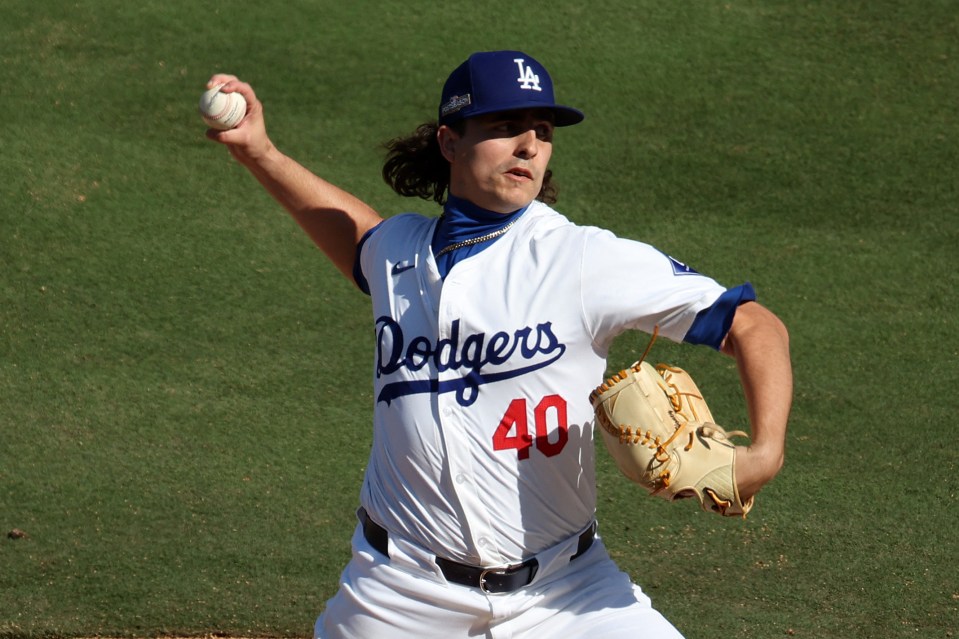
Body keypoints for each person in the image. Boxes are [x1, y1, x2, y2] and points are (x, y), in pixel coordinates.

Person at [204, 50, 792, 639]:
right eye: (504, 127)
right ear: (449, 141)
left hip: (566, 593)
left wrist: (764, 451)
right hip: (398, 596)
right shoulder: (399, 252)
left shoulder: (580, 259)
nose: (529, 146)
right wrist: (259, 150)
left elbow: (754, 324)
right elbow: (357, 235)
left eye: (542, 132)